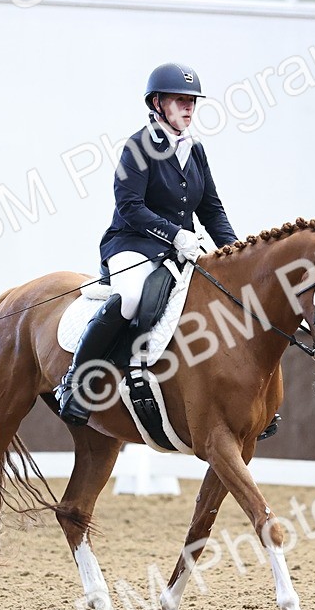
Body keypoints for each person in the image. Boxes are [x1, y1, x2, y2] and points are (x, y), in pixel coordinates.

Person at [55, 62, 240, 426]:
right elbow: (130, 206)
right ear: (157, 103)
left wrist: (235, 254)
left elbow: (212, 209)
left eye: (192, 101)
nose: (188, 107)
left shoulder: (195, 151)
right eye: (179, 100)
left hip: (180, 250)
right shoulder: (137, 147)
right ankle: (77, 382)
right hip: (131, 243)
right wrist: (175, 234)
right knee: (131, 298)